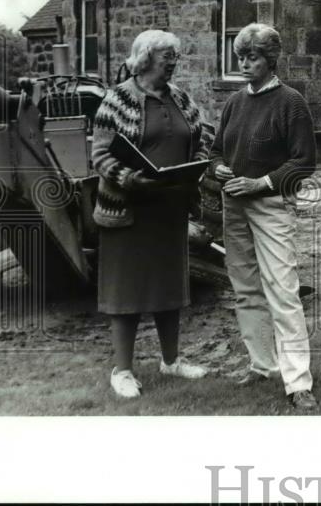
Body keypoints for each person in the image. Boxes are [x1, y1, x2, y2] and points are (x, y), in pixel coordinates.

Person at [90, 29, 212, 398]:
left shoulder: (181, 99)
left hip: (169, 209)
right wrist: (129, 177)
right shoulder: (117, 100)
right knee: (125, 290)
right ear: (145, 60)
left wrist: (196, 164)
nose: (173, 63)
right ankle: (122, 370)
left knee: (168, 286)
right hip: (128, 211)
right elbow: (100, 155)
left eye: (175, 57)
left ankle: (171, 361)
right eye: (166, 57)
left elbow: (200, 137)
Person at [210, 22, 318, 411]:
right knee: (245, 288)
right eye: (240, 57)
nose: (243, 64)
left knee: (283, 290)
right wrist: (220, 168)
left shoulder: (291, 102)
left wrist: (260, 184)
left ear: (270, 60)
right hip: (233, 205)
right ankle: (262, 365)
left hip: (270, 205)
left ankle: (298, 382)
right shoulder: (235, 102)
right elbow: (217, 150)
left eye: (251, 57)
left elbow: (304, 162)